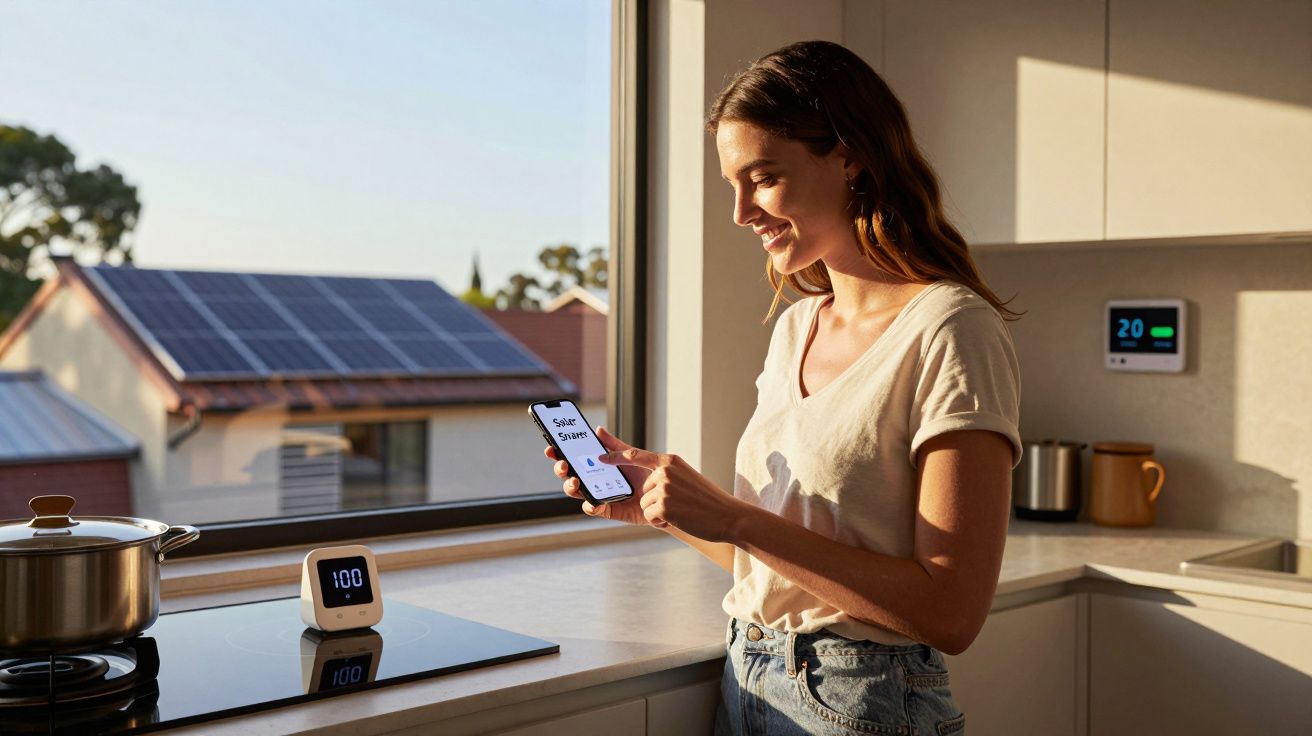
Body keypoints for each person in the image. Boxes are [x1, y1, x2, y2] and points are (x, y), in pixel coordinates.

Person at [544, 40, 1021, 736]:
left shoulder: (951, 329)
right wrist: (671, 511)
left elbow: (950, 612)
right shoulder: (797, 326)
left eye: (763, 177)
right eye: (732, 183)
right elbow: (781, 561)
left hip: (865, 702)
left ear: (851, 156)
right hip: (748, 679)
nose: (741, 211)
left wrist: (734, 516)